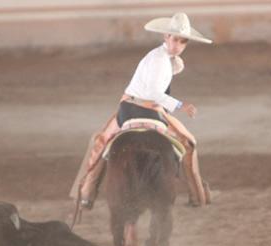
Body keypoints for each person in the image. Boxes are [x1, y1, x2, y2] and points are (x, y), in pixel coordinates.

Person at [70, 12, 212, 210]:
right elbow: (154, 93)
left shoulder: (164, 57)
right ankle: (198, 195)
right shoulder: (160, 60)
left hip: (129, 107)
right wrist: (181, 105)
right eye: (175, 39)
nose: (178, 45)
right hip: (144, 106)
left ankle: (87, 192)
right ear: (166, 37)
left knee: (101, 141)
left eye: (183, 42)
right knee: (188, 143)